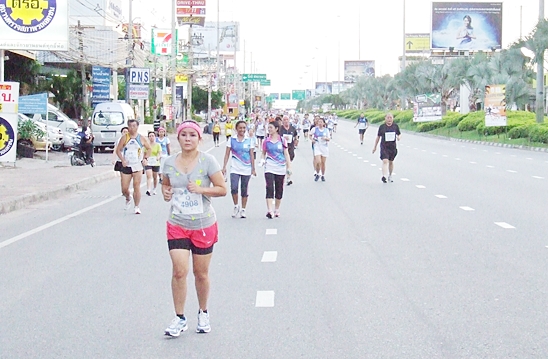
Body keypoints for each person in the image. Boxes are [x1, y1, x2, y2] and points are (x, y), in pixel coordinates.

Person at [162, 120, 227, 337]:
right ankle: (179, 317)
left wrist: (201, 189)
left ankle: (203, 311)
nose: (187, 139)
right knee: (179, 271)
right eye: (184, 135)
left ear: (199, 138)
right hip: (177, 223)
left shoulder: (208, 161)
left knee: (201, 273)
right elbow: (165, 184)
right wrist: (166, 193)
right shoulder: (169, 162)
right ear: (178, 138)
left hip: (203, 224)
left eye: (192, 135)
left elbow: (222, 189)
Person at [115, 119, 152, 214]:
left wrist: (145, 158)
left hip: (137, 165)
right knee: (124, 188)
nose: (132, 128)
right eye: (130, 126)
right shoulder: (125, 138)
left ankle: (137, 206)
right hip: (127, 165)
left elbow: (149, 149)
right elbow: (118, 150)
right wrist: (122, 160)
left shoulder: (141, 138)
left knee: (137, 186)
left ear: (137, 127)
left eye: (134, 126)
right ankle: (128, 197)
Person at [222, 120, 256, 219]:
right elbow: (227, 154)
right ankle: (236, 206)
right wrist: (224, 167)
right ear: (236, 129)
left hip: (246, 168)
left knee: (244, 189)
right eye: (240, 128)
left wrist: (253, 169)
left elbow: (251, 155)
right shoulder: (231, 140)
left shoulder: (249, 140)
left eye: (244, 128)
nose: (242, 130)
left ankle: (243, 209)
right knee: (234, 187)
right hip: (235, 168)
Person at [261, 121, 291, 218]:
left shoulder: (282, 140)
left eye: (271, 128)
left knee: (279, 189)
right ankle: (270, 210)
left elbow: (286, 154)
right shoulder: (266, 141)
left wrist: (289, 167)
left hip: (280, 167)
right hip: (269, 166)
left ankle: (276, 209)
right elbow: (263, 153)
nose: (269, 129)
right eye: (268, 128)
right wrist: (262, 160)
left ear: (276, 129)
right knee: (269, 188)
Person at [372, 113, 401, 183]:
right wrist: (375, 147)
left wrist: (398, 137)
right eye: (388, 118)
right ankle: (384, 176)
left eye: (391, 118)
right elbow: (378, 137)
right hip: (384, 147)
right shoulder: (382, 127)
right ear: (385, 118)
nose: (389, 119)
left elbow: (399, 134)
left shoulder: (395, 126)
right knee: (385, 161)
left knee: (391, 162)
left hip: (392, 147)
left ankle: (390, 175)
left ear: (393, 119)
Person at [279, 115, 299, 186]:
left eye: (287, 119)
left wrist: (296, 140)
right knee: (284, 163)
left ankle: (288, 177)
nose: (286, 121)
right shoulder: (280, 129)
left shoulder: (292, 128)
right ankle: (286, 177)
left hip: (290, 148)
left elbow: (296, 135)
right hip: (281, 148)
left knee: (288, 162)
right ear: (282, 121)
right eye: (284, 120)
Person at [311, 117, 330, 182]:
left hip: (324, 147)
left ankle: (323, 175)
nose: (320, 123)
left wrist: (325, 138)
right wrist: (312, 140)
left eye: (321, 122)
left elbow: (329, 139)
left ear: (324, 123)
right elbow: (310, 135)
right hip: (317, 147)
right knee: (318, 161)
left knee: (323, 163)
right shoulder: (314, 129)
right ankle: (318, 173)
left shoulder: (326, 130)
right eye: (319, 122)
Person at [112, 127, 129, 194]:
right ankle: (123, 190)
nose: (125, 133)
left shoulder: (131, 140)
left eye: (126, 131)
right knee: (122, 176)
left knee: (127, 177)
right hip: (120, 160)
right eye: (124, 131)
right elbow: (115, 150)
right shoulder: (118, 140)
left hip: (128, 160)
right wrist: (113, 159)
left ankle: (126, 188)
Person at [145, 131, 162, 196]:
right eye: (150, 136)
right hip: (148, 162)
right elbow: (144, 153)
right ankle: (148, 189)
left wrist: (158, 157)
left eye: (152, 136)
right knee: (149, 175)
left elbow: (160, 153)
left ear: (155, 137)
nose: (151, 137)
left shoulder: (158, 145)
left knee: (155, 176)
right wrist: (144, 159)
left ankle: (154, 188)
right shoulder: (146, 145)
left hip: (155, 162)